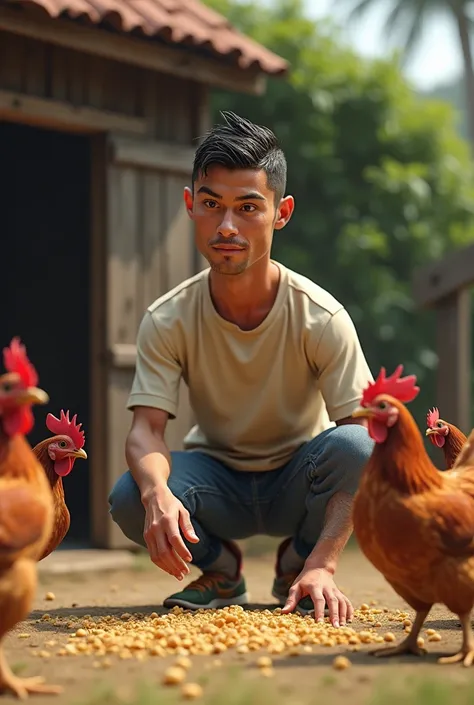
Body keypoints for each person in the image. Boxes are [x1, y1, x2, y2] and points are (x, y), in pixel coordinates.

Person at [108, 111, 374, 628]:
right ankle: (221, 570)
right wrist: (156, 493)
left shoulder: (321, 316)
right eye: (211, 205)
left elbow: (362, 440)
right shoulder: (167, 317)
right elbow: (146, 430)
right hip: (217, 483)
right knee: (130, 495)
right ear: (190, 205)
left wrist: (327, 560)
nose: (226, 226)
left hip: (302, 480)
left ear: (281, 213)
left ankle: (303, 564)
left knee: (358, 447)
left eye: (248, 207)